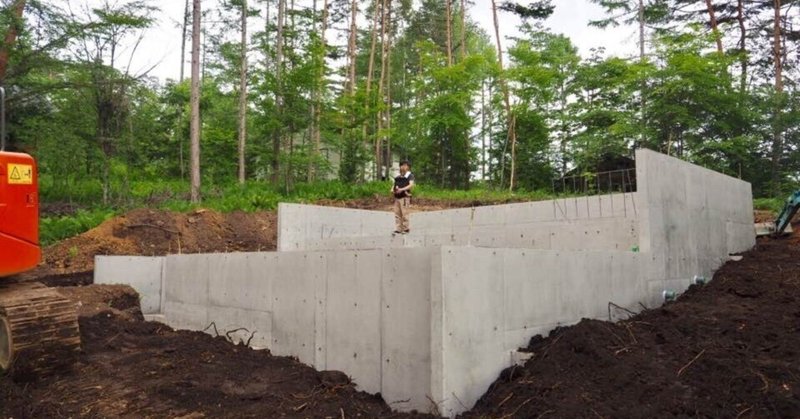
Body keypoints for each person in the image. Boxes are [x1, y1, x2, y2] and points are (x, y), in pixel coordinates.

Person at [391, 160, 415, 234]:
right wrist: (392, 190)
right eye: (402, 165)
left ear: (408, 167)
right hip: (397, 197)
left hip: (404, 197)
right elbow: (393, 186)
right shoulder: (398, 177)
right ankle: (398, 229)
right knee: (397, 214)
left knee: (405, 213)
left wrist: (402, 189)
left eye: (405, 165)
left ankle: (405, 228)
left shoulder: (410, 175)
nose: (403, 167)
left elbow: (411, 185)